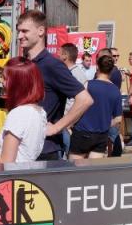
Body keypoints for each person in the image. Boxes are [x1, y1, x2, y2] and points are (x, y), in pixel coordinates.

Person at [15, 10, 93, 159]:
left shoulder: (52, 64)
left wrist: (57, 127)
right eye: (18, 31)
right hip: (22, 147)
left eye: (25, 31)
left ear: (40, 31)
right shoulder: (24, 63)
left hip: (45, 150)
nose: (19, 36)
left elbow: (85, 99)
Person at [0, 56, 47, 164]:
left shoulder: (18, 114)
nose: (2, 82)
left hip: (11, 178)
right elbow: (19, 153)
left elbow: (5, 162)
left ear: (18, 84)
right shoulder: (40, 112)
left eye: (6, 78)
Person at [69, 55, 123, 159]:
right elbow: (118, 119)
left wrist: (70, 124)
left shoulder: (88, 85)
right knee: (94, 170)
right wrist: (106, 124)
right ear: (111, 70)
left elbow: (77, 106)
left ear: (97, 67)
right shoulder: (116, 90)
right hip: (101, 135)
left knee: (75, 170)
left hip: (82, 132)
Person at [61, 43, 88, 153]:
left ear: (65, 55)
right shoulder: (75, 73)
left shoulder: (73, 74)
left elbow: (80, 100)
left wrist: (69, 122)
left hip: (68, 122)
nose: (58, 56)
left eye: (60, 53)